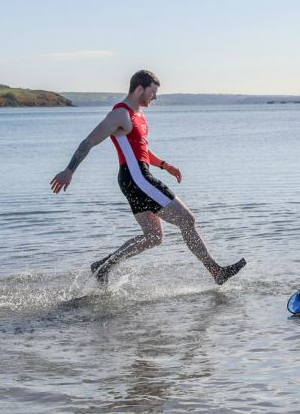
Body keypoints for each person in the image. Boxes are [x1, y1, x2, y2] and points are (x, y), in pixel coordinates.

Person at [50, 70, 246, 286]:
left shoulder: (140, 117)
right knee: (187, 220)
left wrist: (164, 165)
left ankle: (104, 265)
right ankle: (215, 271)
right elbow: (89, 142)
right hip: (137, 179)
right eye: (152, 92)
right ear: (139, 89)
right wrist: (69, 170)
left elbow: (141, 153)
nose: (155, 97)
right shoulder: (120, 114)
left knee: (154, 236)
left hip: (136, 177)